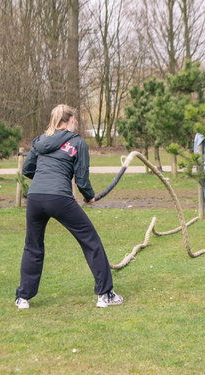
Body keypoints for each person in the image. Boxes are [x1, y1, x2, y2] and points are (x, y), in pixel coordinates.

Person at [15, 104, 123, 309]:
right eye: (75, 120)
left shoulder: (39, 140)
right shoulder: (77, 142)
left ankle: (23, 297)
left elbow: (28, 169)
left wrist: (44, 176)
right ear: (70, 120)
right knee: (91, 241)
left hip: (35, 198)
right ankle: (105, 294)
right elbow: (82, 179)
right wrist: (89, 197)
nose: (76, 123)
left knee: (32, 246)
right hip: (59, 198)